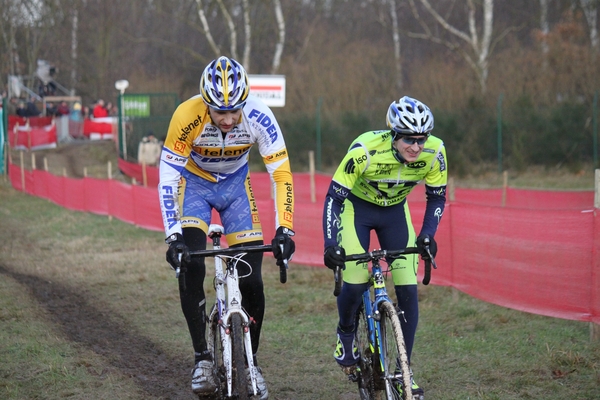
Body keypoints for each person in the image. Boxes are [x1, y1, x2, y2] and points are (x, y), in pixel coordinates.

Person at [158, 56, 295, 399]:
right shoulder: (186, 116)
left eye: (235, 111)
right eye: (220, 112)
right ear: (206, 104)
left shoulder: (260, 115)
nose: (229, 119)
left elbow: (281, 174)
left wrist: (285, 230)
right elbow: (168, 176)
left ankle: (251, 363)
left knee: (252, 279)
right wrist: (173, 235)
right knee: (191, 265)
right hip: (195, 186)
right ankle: (202, 357)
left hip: (236, 188)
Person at [322, 96, 447, 398]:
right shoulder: (365, 150)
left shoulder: (436, 152)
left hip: (395, 213)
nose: (416, 147)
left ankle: (404, 370)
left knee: (408, 289)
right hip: (356, 211)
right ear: (394, 134)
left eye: (421, 139)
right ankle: (346, 332)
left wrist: (428, 234)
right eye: (408, 139)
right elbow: (333, 199)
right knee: (353, 281)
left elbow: (437, 198)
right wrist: (330, 244)